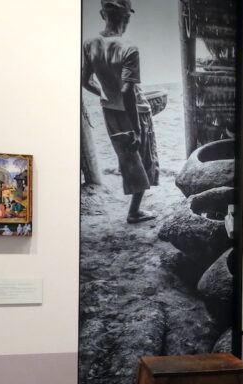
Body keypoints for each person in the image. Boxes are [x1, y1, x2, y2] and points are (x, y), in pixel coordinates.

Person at [81, 0, 159, 223]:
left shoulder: (89, 44)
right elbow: (127, 91)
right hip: (131, 111)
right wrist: (136, 128)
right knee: (143, 159)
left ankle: (133, 207)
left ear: (101, 14)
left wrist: (103, 94)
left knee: (126, 156)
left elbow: (85, 81)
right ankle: (134, 211)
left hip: (109, 111)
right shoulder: (128, 48)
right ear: (127, 17)